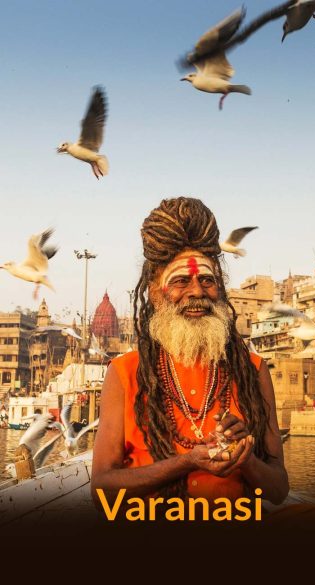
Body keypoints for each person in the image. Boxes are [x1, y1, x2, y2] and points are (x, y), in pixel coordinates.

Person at [91, 197, 289, 511]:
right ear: (156, 293)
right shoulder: (125, 372)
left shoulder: (252, 369)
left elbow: (278, 489)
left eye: (207, 280)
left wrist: (246, 459)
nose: (196, 292)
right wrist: (186, 462)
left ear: (220, 289)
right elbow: (101, 487)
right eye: (181, 281)